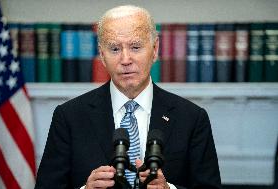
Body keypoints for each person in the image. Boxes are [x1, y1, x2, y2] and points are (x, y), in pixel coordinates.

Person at [35, 5, 221, 189]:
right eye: (115, 49)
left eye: (135, 47)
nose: (125, 59)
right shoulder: (69, 117)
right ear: (102, 54)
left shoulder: (192, 118)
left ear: (154, 49)